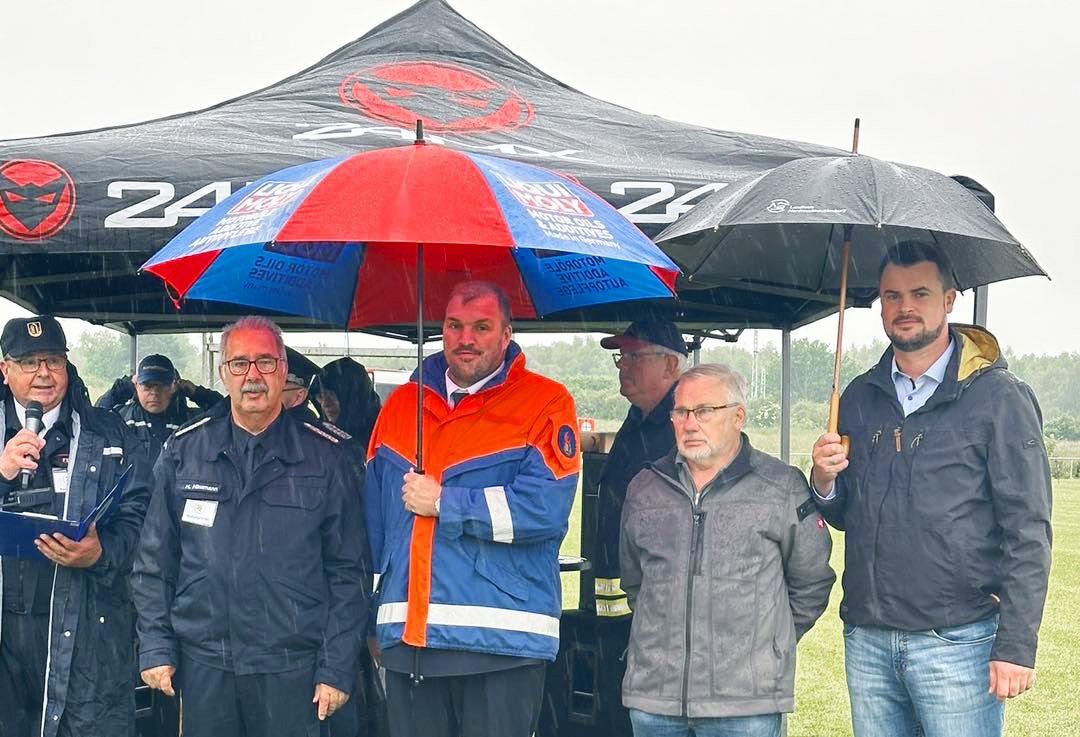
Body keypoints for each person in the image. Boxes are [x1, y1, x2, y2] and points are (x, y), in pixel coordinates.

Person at [810, 241, 1053, 737]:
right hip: (868, 639)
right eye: (892, 296)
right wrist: (825, 479)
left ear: (948, 300)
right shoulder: (858, 397)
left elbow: (1028, 530)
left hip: (958, 641)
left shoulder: (998, 398)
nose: (905, 307)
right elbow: (847, 514)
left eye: (919, 293)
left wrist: (1016, 645)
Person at [132, 316, 370, 737]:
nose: (253, 376)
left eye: (265, 362)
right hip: (204, 666)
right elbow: (154, 561)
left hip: (293, 669)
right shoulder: (186, 450)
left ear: (283, 370)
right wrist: (155, 645)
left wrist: (336, 667)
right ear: (223, 373)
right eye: (240, 363)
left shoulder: (327, 456)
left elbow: (349, 573)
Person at [365, 280, 580, 737]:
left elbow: (544, 511)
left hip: (504, 643)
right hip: (408, 642)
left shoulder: (545, 402)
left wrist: (445, 502)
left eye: (482, 327)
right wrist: (370, 619)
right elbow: (373, 525)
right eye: (454, 325)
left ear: (506, 335)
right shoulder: (400, 405)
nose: (466, 339)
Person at [620, 363, 834, 737]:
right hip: (655, 701)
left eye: (704, 411)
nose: (690, 423)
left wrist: (768, 644)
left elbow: (812, 581)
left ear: (738, 416)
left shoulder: (781, 487)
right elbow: (636, 583)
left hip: (746, 705)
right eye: (681, 412)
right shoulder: (644, 488)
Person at [0, 315, 151, 737]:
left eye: (53, 360)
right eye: (29, 362)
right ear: (5, 370)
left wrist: (102, 553)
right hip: (9, 642)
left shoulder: (109, 434)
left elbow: (143, 515)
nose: (43, 373)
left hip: (89, 637)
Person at [591, 318, 687, 733]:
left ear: (671, 365)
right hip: (620, 617)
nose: (623, 366)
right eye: (620, 356)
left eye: (634, 356)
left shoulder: (683, 428)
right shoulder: (638, 420)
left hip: (657, 618)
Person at [108, 354, 222, 464]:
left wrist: (197, 392)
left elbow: (226, 411)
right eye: (147, 385)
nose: (155, 392)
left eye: (163, 385)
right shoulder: (122, 418)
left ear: (175, 387)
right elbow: (99, 415)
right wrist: (124, 385)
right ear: (136, 385)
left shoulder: (191, 421)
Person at [320, 356, 382, 450]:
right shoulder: (319, 433)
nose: (325, 403)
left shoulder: (380, 432)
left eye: (332, 395)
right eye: (321, 395)